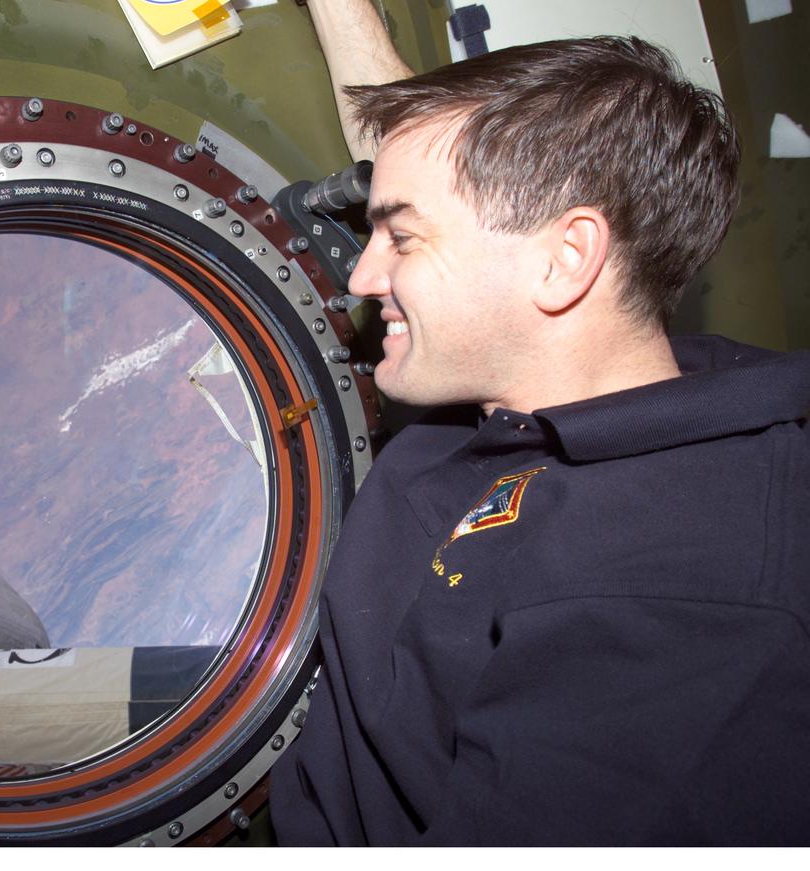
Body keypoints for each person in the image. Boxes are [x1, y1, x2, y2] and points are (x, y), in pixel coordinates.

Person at [271, 0, 810, 846]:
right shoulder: (560, 379)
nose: (363, 274)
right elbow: (429, 168)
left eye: (399, 238)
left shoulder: (686, 610)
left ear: (564, 262)